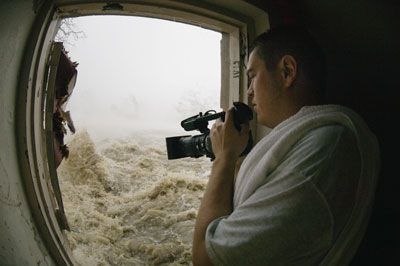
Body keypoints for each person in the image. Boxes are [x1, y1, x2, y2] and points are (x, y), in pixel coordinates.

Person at [192, 26, 380, 266]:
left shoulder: (325, 149)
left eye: (252, 77)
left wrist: (224, 159)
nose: (248, 93)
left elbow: (206, 258)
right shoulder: (308, 141)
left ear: (287, 72)